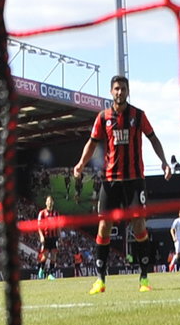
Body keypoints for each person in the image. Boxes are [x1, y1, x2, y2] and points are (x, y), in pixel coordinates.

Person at [72, 75, 171, 294]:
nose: (119, 92)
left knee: (138, 226)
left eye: (123, 89)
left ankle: (144, 279)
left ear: (128, 91)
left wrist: (164, 162)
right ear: (111, 92)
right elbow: (92, 143)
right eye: (116, 89)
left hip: (135, 180)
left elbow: (153, 138)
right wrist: (80, 164)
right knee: (104, 225)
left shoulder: (138, 115)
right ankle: (100, 280)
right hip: (110, 181)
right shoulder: (103, 117)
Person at [36, 195, 60, 280]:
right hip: (46, 237)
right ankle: (41, 269)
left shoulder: (56, 213)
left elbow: (58, 226)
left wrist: (59, 236)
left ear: (53, 203)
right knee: (45, 255)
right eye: (48, 201)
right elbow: (39, 226)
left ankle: (50, 274)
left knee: (54, 255)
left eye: (51, 201)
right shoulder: (42, 213)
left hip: (54, 237)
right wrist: (41, 236)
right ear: (46, 203)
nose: (49, 202)